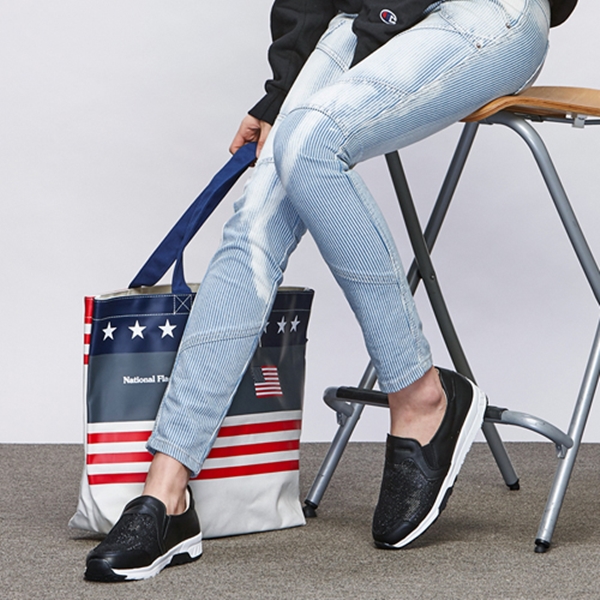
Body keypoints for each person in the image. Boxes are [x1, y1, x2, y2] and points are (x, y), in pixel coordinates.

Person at [84, 0, 577, 582]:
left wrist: (378, 24)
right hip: (366, 17)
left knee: (311, 141)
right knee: (255, 217)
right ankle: (167, 492)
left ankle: (420, 395)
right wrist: (282, 93)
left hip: (486, 12)